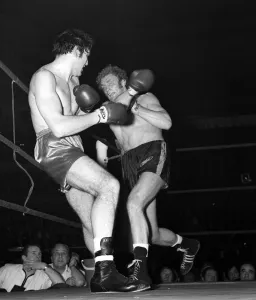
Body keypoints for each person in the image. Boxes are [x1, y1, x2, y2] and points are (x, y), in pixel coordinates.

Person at [28, 29, 137, 293]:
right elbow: (58, 126)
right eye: (86, 56)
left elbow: (76, 120)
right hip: (53, 144)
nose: (87, 62)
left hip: (73, 147)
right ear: (77, 50)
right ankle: (105, 274)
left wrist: (87, 109)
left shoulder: (74, 83)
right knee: (109, 186)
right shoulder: (44, 78)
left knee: (93, 220)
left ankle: (99, 276)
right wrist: (99, 115)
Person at [96, 65, 200, 291]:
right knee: (151, 235)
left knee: (133, 203)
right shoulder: (107, 108)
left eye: (111, 83)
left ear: (124, 82)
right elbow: (109, 140)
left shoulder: (145, 96)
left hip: (152, 153)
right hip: (130, 164)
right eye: (103, 87)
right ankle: (188, 245)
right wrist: (101, 160)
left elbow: (167, 123)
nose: (107, 89)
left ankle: (140, 272)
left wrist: (137, 107)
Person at [0, 244, 64, 292]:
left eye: (39, 254)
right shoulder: (8, 269)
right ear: (24, 258)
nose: (38, 256)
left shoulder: (44, 276)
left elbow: (61, 286)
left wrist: (45, 266)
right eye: (34, 253)